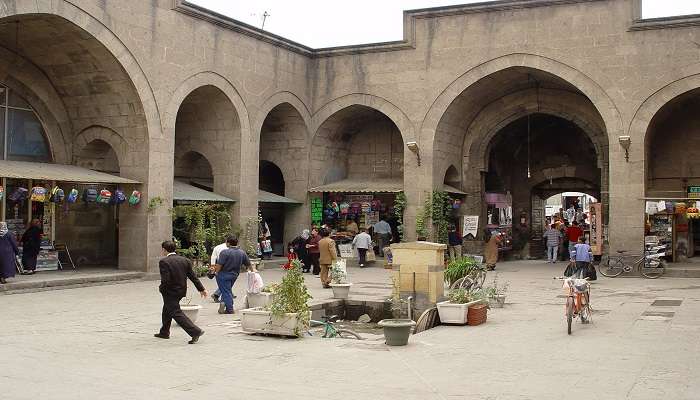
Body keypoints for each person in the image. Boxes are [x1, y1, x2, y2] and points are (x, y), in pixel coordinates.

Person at [154, 240, 207, 344]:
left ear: (164, 250)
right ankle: (164, 332)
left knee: (175, 312)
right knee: (167, 308)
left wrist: (161, 288)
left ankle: (195, 331)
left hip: (170, 291)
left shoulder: (164, 262)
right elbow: (192, 276)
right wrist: (201, 289)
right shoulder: (185, 260)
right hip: (181, 290)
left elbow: (166, 280)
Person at [213, 236, 251, 314]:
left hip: (223, 275)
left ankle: (230, 309)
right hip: (234, 274)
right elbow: (248, 264)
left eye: (226, 242)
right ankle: (223, 304)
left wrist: (215, 272)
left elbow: (220, 265)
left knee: (226, 291)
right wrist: (253, 271)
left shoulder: (224, 252)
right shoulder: (241, 252)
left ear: (228, 243)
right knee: (227, 290)